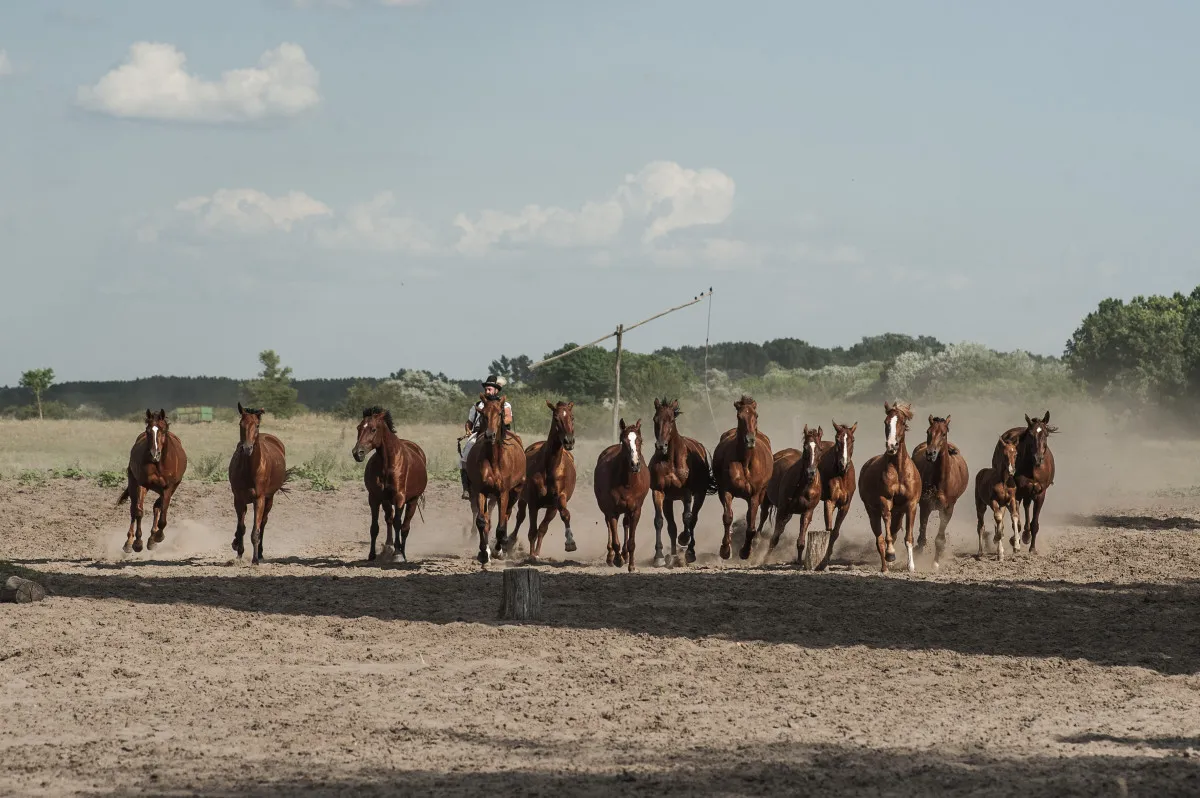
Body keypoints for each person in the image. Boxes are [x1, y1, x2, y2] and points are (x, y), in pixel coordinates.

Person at [459, 374, 513, 499]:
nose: (487, 391)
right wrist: (468, 430)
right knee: (465, 455)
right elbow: (469, 422)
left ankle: (518, 478)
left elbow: (508, 418)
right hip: (480, 433)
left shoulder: (505, 405)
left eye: (489, 389)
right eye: (486, 389)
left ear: (496, 390)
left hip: (501, 433)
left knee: (516, 449)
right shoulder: (478, 404)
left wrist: (496, 424)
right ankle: (466, 487)